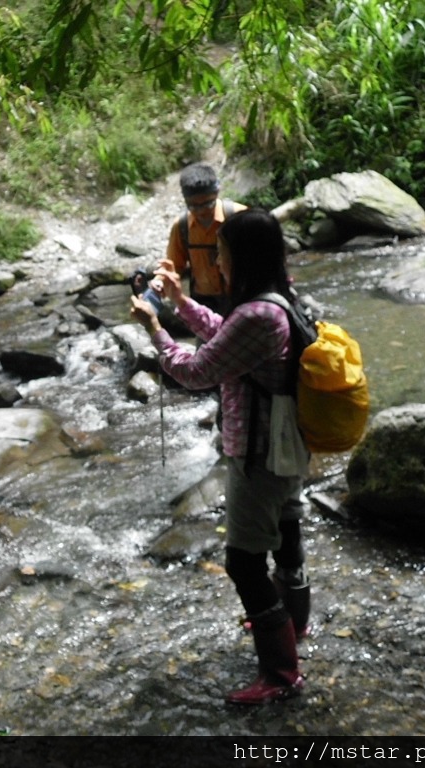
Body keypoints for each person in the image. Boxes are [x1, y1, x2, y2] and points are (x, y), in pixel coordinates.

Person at [130, 208, 309, 706]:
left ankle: (280, 674)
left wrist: (155, 330)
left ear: (241, 256)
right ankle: (294, 626)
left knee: (243, 562)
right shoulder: (279, 298)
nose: (218, 262)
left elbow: (197, 371)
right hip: (286, 441)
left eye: (222, 253)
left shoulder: (257, 313)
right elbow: (226, 335)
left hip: (256, 451)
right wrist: (181, 302)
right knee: (287, 531)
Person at [164, 162, 246, 315]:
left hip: (241, 298)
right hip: (204, 302)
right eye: (193, 206)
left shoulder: (239, 217)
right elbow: (174, 267)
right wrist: (160, 284)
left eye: (208, 204)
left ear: (217, 192)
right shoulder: (181, 227)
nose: (201, 211)